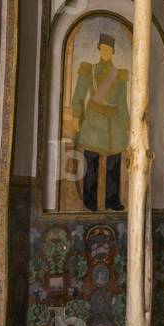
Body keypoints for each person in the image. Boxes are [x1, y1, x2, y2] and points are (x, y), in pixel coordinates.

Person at [71, 33, 129, 211]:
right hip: (94, 122)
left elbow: (122, 101)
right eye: (103, 48)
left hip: (114, 124)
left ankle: (112, 201)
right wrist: (76, 116)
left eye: (108, 49)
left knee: (114, 166)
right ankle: (90, 202)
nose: (105, 52)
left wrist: (127, 124)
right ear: (99, 49)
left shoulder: (119, 75)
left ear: (112, 52)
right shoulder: (88, 69)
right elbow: (79, 95)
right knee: (91, 165)